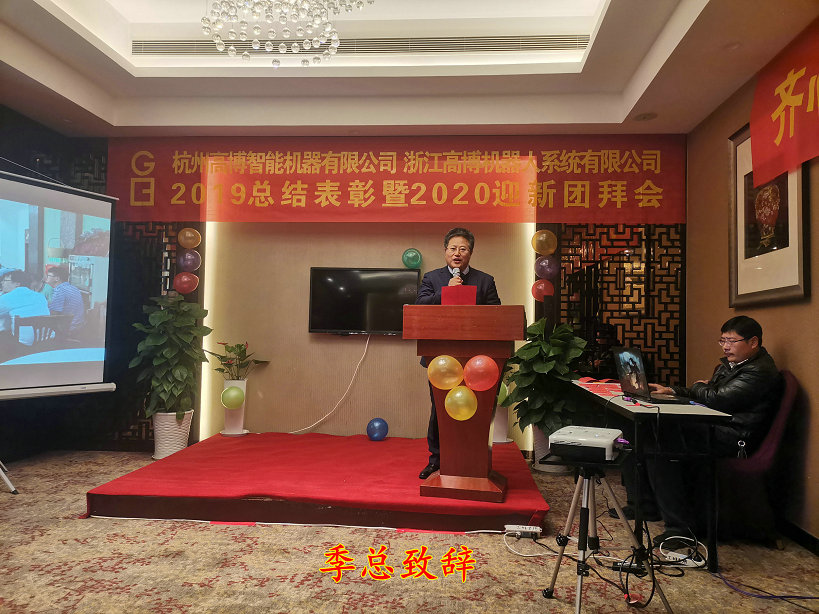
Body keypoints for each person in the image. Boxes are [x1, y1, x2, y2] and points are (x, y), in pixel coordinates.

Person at [621, 316, 782, 545]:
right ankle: (643, 505)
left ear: (753, 342)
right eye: (722, 340)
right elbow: (708, 394)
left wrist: (700, 386)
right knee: (641, 430)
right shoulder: (734, 365)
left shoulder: (759, 371)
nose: (725, 347)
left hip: (734, 437)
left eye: (732, 341)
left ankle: (679, 529)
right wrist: (671, 390)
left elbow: (716, 399)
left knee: (661, 441)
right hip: (718, 426)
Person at [415, 227, 501, 479]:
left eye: (463, 249)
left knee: (477, 411)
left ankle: (473, 459)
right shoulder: (432, 278)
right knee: (438, 410)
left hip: (478, 361)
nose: (457, 253)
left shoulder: (485, 280)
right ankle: (436, 460)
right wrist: (446, 291)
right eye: (453, 248)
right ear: (445, 252)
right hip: (440, 358)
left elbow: (497, 315)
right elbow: (420, 306)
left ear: (470, 253)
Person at [0, 270, 51, 359]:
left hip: (23, 344)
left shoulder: (8, 297)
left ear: (17, 283)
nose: (1, 283)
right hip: (46, 341)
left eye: (5, 280)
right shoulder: (40, 296)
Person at [46, 265, 86, 335]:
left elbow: (53, 314)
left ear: (57, 278)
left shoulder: (59, 290)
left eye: (48, 276)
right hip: (79, 326)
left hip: (68, 329)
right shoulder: (74, 288)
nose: (46, 278)